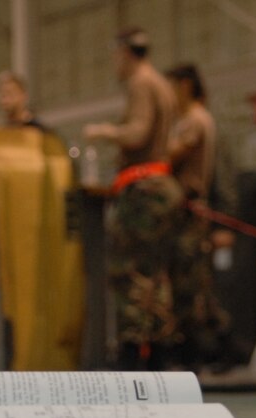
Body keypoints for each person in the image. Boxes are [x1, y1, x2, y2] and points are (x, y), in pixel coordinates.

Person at [83, 27, 185, 371]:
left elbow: (138, 132)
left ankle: (132, 361)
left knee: (128, 274)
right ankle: (157, 356)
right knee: (155, 275)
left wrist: (103, 130)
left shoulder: (141, 83)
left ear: (125, 52)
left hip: (142, 189)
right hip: (161, 184)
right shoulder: (161, 84)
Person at [166, 63, 232, 368]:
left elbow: (170, 157)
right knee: (193, 289)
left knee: (191, 291)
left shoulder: (195, 121)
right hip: (184, 216)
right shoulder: (186, 120)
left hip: (190, 215)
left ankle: (214, 353)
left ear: (184, 86)